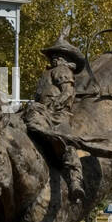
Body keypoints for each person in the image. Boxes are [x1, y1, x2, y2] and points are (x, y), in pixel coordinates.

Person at [24, 32, 87, 203]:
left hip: (57, 115)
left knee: (66, 142)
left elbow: (68, 92)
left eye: (59, 56)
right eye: (53, 55)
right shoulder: (46, 74)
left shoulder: (62, 70)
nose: (55, 59)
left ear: (66, 58)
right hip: (39, 112)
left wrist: (53, 106)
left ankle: (75, 181)